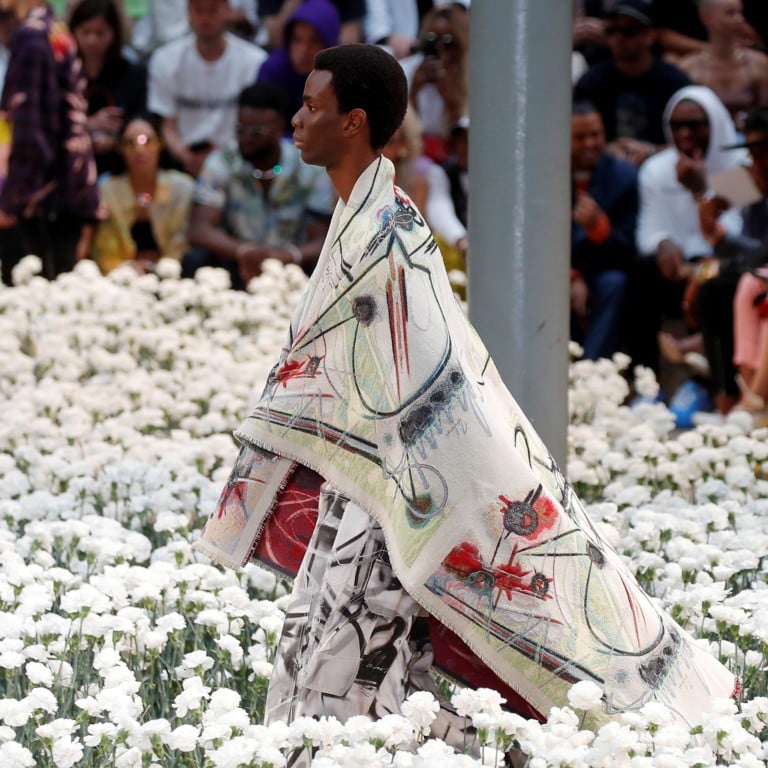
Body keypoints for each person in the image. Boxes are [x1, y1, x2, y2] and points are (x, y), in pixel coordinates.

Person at [195, 43, 735, 759]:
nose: (296, 119)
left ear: (354, 122)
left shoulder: (387, 233)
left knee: (349, 684)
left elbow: (434, 376)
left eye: (312, 106)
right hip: (372, 489)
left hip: (395, 495)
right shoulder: (365, 217)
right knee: (353, 673)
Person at [628, 86, 745, 377]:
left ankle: (718, 380)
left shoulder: (741, 165)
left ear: (714, 122)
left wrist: (700, 190)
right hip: (678, 265)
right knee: (639, 272)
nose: (684, 134)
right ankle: (645, 377)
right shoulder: (656, 169)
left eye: (694, 125)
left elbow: (733, 234)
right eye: (676, 126)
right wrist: (663, 243)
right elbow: (647, 229)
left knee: (716, 284)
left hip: (722, 264)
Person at [184, 82, 334, 289]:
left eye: (256, 131)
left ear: (279, 127)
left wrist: (284, 256)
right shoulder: (222, 162)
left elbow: (321, 238)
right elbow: (199, 229)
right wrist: (245, 251)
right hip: (236, 262)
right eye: (240, 129)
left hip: (293, 265)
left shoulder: (308, 167)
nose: (246, 138)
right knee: (195, 258)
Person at [0, 0, 100, 284]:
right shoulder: (53, 28)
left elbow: (31, 134)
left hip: (42, 197)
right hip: (68, 188)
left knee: (30, 296)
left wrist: (12, 199)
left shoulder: (31, 37)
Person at [697, 106, 768, 417]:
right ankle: (726, 397)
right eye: (754, 153)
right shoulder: (749, 179)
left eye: (765, 152)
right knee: (712, 289)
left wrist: (717, 267)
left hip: (759, 276)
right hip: (756, 272)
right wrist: (714, 231)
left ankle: (742, 398)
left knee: (723, 286)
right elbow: (744, 247)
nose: (759, 162)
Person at [147, 0, 267, 178]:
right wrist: (184, 154)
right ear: (188, 11)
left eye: (213, 10)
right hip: (181, 163)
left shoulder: (254, 61)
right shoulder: (164, 60)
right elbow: (168, 125)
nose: (205, 18)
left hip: (236, 164)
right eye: (198, 10)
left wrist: (218, 158)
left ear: (227, 10)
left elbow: (255, 125)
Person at [573, 0, 691, 167]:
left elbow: (692, 143)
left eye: (629, 31)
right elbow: (575, 136)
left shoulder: (674, 82)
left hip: (663, 166)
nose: (619, 38)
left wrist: (651, 151)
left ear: (650, 36)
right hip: (604, 167)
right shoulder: (592, 81)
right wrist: (603, 150)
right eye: (612, 30)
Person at [570, 101, 638, 361]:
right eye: (580, 137)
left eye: (596, 134)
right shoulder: (542, 175)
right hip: (549, 271)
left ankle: (590, 369)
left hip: (600, 269)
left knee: (614, 283)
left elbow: (628, 250)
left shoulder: (623, 177)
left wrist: (599, 227)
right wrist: (570, 275)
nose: (590, 143)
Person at [91, 113, 195, 273]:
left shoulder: (182, 187)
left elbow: (182, 243)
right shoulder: (107, 190)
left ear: (161, 144)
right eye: (130, 143)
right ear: (120, 148)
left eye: (147, 141)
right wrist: (128, 270)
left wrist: (160, 270)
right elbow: (104, 250)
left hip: (174, 275)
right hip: (121, 276)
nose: (139, 150)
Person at [69, 0, 147, 176]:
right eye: (86, 32)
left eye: (100, 33)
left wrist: (119, 140)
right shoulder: (62, 75)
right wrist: (89, 124)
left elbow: (141, 119)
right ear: (73, 32)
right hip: (72, 165)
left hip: (121, 166)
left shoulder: (131, 73)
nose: (92, 40)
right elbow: (52, 124)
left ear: (114, 33)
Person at [676, 0, 768, 133]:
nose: (739, 19)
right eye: (730, 13)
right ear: (706, 18)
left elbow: (765, 113)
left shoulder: (759, 63)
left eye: (740, 13)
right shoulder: (688, 68)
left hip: (751, 138)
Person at [406, 2, 469, 163]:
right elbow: (402, 133)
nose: (440, 50)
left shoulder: (473, 75)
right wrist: (413, 91)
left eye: (448, 43)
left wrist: (452, 104)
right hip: (416, 158)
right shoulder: (408, 70)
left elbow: (467, 143)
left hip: (455, 163)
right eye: (432, 40)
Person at [256, 0, 340, 119]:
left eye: (314, 41)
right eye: (296, 39)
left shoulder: (341, 76)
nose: (303, 51)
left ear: (330, 44)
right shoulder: (272, 70)